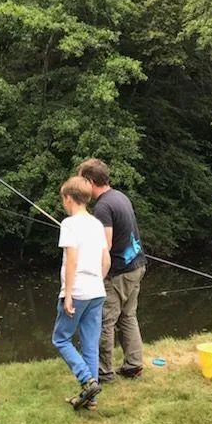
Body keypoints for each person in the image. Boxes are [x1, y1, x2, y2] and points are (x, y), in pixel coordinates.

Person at [78, 158, 146, 382]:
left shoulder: (103, 207)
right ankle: (133, 365)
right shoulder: (120, 197)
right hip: (136, 266)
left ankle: (103, 371)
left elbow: (104, 245)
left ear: (90, 181)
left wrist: (96, 273)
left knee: (105, 321)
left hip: (119, 272)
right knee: (128, 316)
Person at [51, 176, 110, 411]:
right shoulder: (96, 224)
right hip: (97, 290)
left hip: (77, 292)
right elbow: (106, 259)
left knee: (61, 338)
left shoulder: (69, 224)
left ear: (68, 198)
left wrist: (68, 294)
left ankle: (87, 380)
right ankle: (91, 399)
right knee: (90, 345)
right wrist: (97, 281)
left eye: (63, 199)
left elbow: (72, 260)